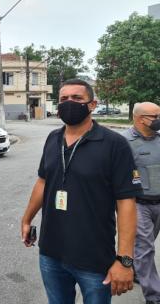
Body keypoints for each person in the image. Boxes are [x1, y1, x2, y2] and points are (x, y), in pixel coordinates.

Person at [21, 78, 142, 303]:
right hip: (51, 253)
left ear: (92, 104)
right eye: (63, 99)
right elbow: (43, 181)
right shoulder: (52, 138)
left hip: (94, 258)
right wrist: (26, 219)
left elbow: (126, 202)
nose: (69, 103)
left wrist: (125, 260)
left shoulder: (114, 144)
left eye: (77, 98)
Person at [122, 102, 160, 304]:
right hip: (138, 204)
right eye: (155, 116)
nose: (158, 120)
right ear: (140, 118)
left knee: (147, 244)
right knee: (145, 247)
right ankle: (154, 297)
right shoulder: (123, 142)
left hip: (159, 202)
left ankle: (138, 271)